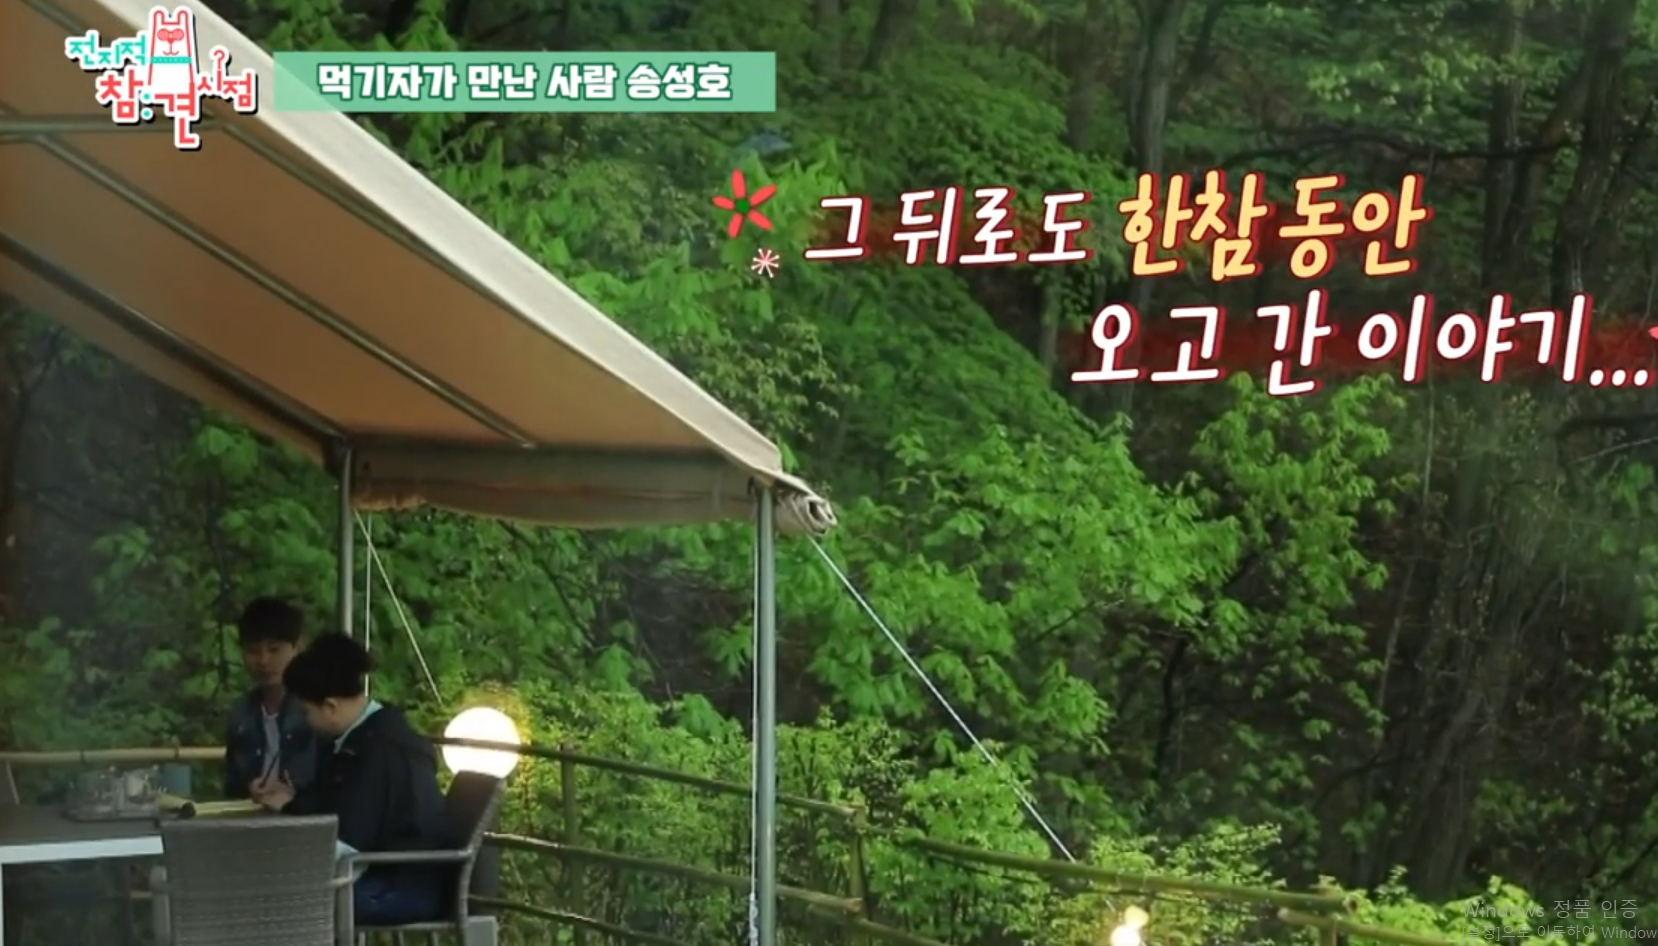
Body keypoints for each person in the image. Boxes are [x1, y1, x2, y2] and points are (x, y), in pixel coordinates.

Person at [251, 633, 451, 926]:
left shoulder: (380, 751)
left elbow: (348, 840)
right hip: (391, 873)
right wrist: (294, 800)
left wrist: (287, 828)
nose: (305, 721)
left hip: (400, 885)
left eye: (306, 712)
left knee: (275, 901)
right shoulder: (373, 735)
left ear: (330, 707)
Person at [222, 597, 318, 800]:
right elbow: (232, 786)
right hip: (253, 815)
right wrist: (250, 788)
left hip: (304, 816)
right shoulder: (240, 713)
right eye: (253, 651)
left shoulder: (317, 709)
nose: (263, 661)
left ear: (298, 646)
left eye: (274, 649)